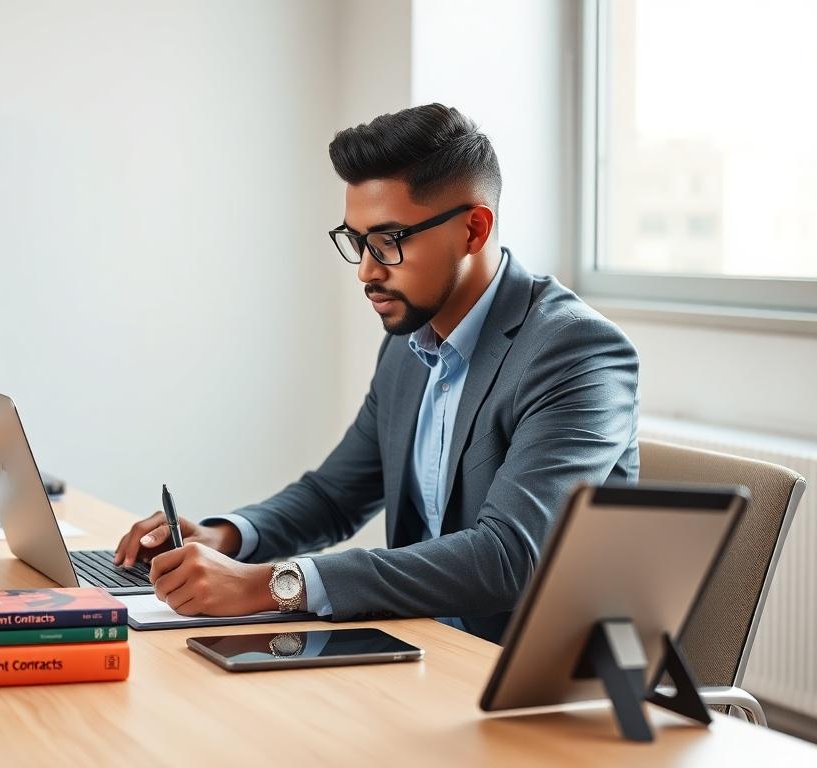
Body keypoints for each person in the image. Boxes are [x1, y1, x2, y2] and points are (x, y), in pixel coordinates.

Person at [114, 103, 640, 641]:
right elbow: (334, 496)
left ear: (474, 229)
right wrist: (225, 536)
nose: (366, 270)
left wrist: (272, 584)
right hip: (426, 648)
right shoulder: (410, 344)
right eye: (358, 241)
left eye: (390, 241)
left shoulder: (575, 352)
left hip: (532, 673)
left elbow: (506, 557)